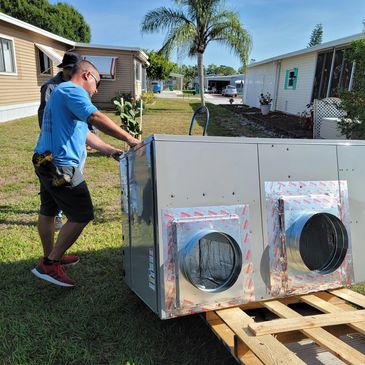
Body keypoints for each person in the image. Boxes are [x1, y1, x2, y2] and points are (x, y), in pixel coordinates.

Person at [31, 60, 140, 287]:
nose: (97, 89)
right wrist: (130, 139)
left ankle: (51, 255)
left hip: (45, 160)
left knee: (49, 209)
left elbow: (85, 133)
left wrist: (109, 150)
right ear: (87, 75)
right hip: (61, 165)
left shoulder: (62, 94)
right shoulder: (72, 90)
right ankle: (50, 264)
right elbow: (95, 118)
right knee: (82, 213)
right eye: (97, 83)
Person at [38, 52, 82, 230]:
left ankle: (61, 211)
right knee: (55, 181)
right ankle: (56, 215)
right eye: (72, 69)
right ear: (66, 69)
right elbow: (45, 114)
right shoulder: (51, 87)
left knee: (70, 179)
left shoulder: (78, 86)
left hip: (74, 143)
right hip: (55, 146)